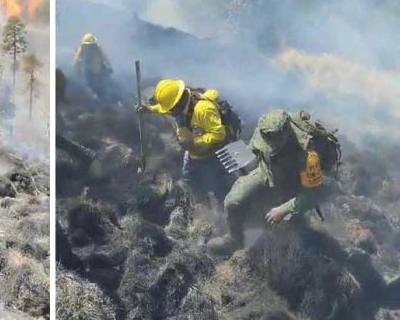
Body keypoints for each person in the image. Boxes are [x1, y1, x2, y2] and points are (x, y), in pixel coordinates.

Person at [207, 109, 337, 257]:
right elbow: (254, 149)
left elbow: (310, 195)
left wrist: (282, 210)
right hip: (266, 171)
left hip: (294, 185)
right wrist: (237, 158)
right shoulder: (265, 129)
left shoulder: (308, 155)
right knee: (232, 201)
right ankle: (235, 240)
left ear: (285, 136)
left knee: (290, 233)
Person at [138, 79, 240, 208]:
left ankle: (224, 210)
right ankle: (203, 205)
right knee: (190, 179)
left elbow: (218, 134)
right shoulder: (179, 107)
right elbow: (164, 109)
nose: (170, 112)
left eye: (171, 108)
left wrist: (195, 142)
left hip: (212, 154)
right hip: (193, 155)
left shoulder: (203, 109)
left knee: (219, 187)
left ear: (178, 102)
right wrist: (148, 109)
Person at [73, 33, 113, 100]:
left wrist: (109, 67)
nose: (89, 47)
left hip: (99, 69)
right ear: (84, 45)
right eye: (88, 45)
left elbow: (104, 57)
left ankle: (102, 96)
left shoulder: (98, 48)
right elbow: (76, 62)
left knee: (103, 84)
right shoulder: (82, 50)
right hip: (88, 71)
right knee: (90, 85)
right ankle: (95, 97)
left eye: (91, 45)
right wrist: (77, 72)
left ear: (94, 44)